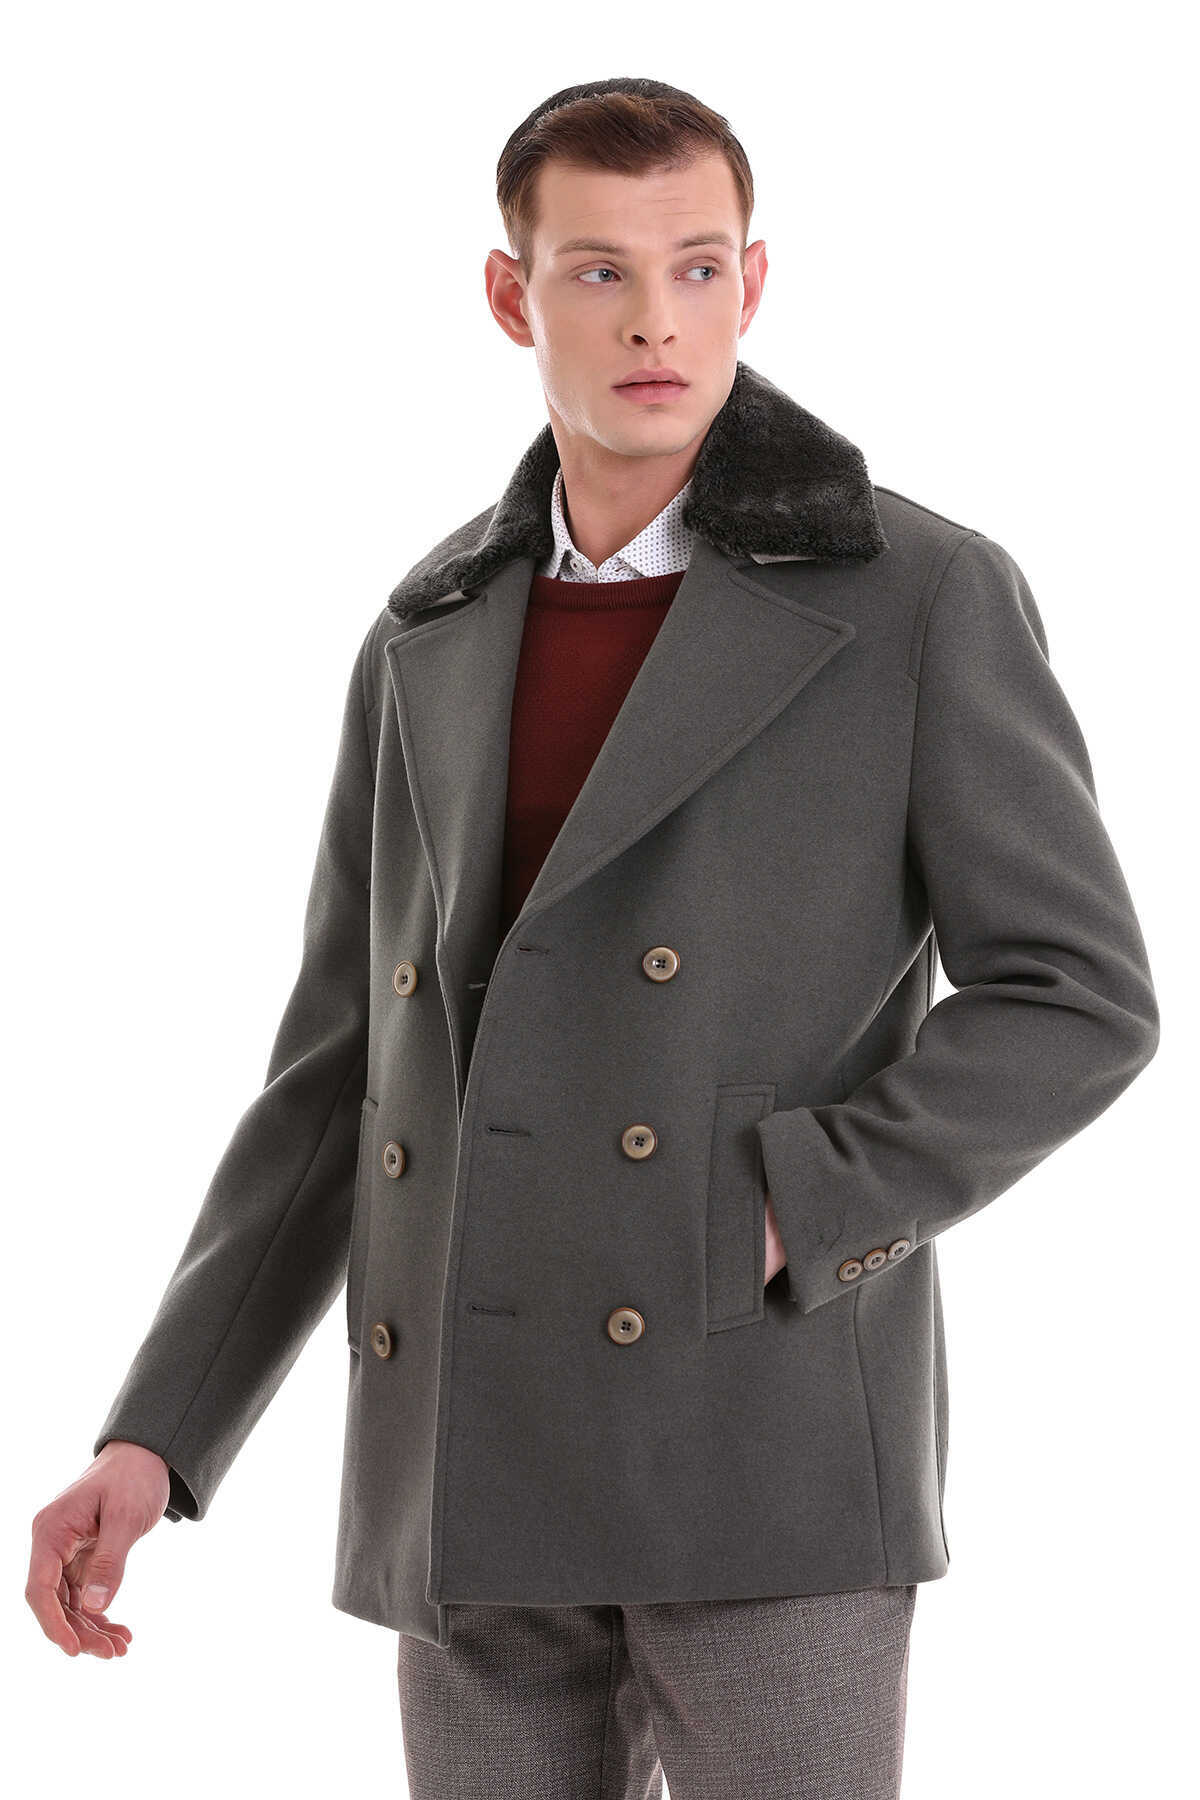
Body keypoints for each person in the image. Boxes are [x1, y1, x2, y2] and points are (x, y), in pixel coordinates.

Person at [27, 77, 1159, 1800]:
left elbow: (1076, 995)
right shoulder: (428, 629)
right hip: (471, 1456)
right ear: (513, 295)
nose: (655, 322)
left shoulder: (917, 596)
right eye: (600, 272)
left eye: (697, 268)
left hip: (759, 1440)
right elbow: (344, 1068)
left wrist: (799, 1206)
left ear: (754, 283)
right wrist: (157, 1432)